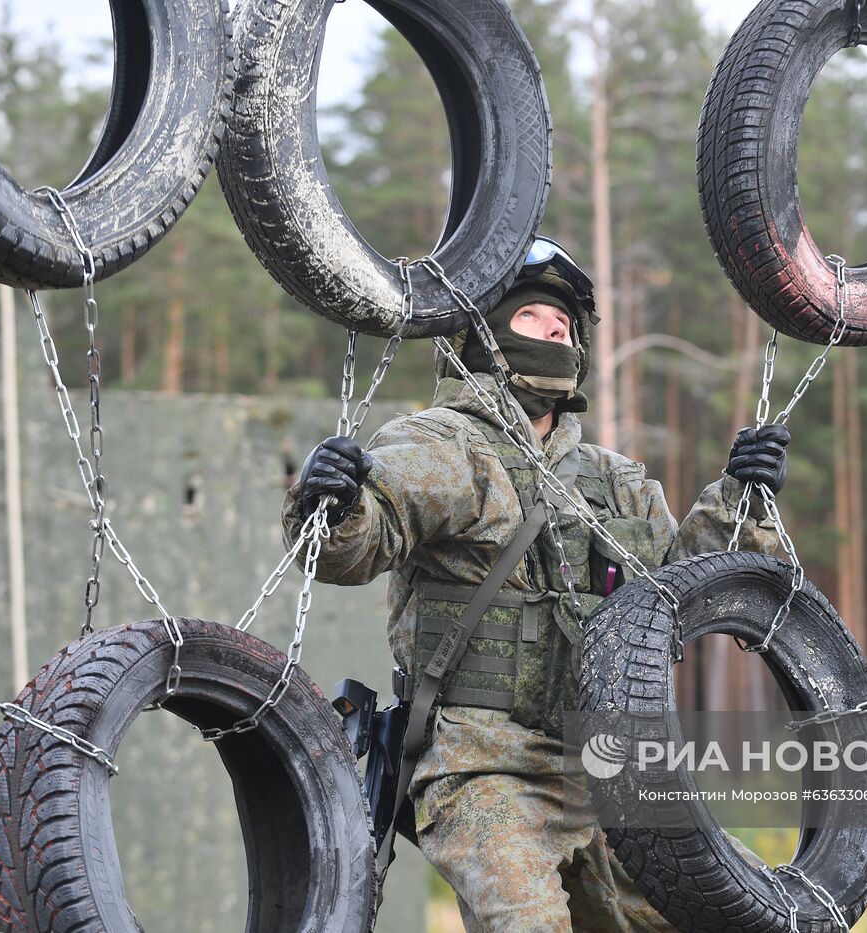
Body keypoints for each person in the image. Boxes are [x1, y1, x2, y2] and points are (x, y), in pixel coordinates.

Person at [283, 237, 791, 932]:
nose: (556, 331)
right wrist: (334, 501)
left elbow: (685, 591)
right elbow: (361, 537)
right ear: (486, 337)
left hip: (609, 773)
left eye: (564, 325)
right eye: (535, 319)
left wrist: (742, 496)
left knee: (754, 913)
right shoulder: (448, 446)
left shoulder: (616, 480)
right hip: (486, 770)